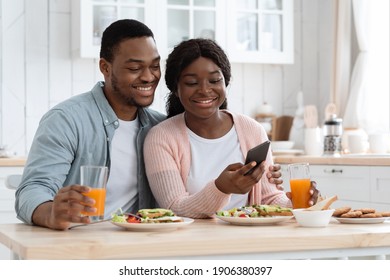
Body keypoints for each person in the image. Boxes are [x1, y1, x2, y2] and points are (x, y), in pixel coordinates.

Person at [14, 19, 284, 230]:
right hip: (81, 241)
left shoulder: (155, 126)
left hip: (140, 245)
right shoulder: (68, 120)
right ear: (105, 68)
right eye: (135, 68)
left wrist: (279, 188)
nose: (148, 76)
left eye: (154, 66)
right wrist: (50, 213)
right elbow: (33, 189)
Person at [143, 38, 320, 218]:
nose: (204, 90)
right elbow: (175, 208)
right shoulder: (161, 138)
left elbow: (269, 199)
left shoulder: (252, 130)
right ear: (175, 88)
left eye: (214, 80)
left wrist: (298, 202)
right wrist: (221, 188)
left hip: (245, 240)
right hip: (189, 243)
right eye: (191, 83)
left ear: (225, 82)